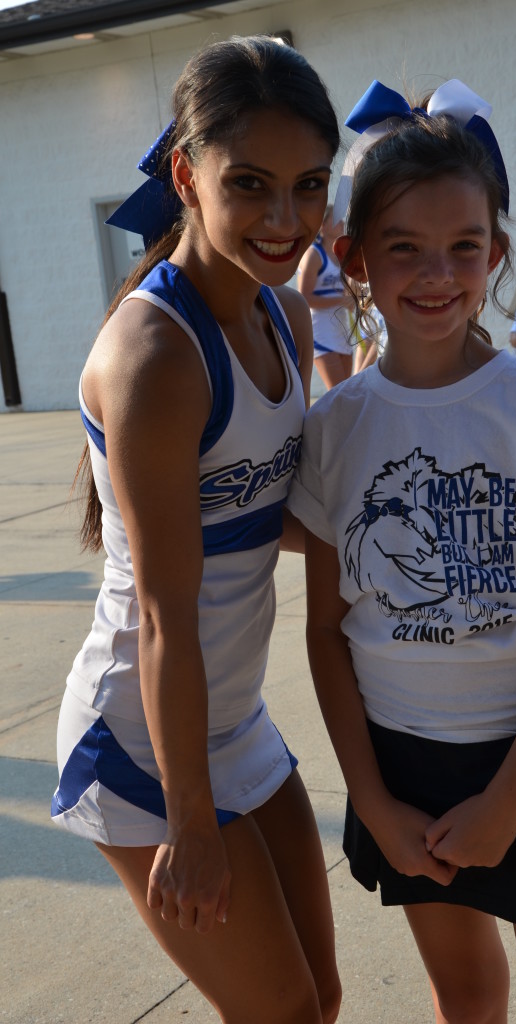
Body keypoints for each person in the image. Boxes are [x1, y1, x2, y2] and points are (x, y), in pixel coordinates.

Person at [287, 79, 516, 1024]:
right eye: (403, 248)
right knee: (467, 999)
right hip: (401, 772)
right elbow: (326, 632)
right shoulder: (336, 428)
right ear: (357, 259)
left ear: (494, 251)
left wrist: (509, 802)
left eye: (463, 247)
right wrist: (370, 795)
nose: (436, 273)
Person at [50, 36, 342, 1024]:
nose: (283, 218)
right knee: (285, 1014)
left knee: (320, 997)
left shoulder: (285, 318)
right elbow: (169, 612)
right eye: (249, 183)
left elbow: (269, 519)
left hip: (234, 718)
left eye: (308, 186)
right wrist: (192, 822)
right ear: (187, 173)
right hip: (141, 739)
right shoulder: (155, 358)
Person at [297, 205, 354, 388]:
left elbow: (349, 293)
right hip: (321, 331)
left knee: (346, 392)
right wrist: (341, 301)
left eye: (342, 219)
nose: (342, 223)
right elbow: (303, 299)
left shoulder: (342, 255)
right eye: (335, 220)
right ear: (322, 226)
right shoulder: (314, 255)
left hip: (342, 329)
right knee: (337, 393)